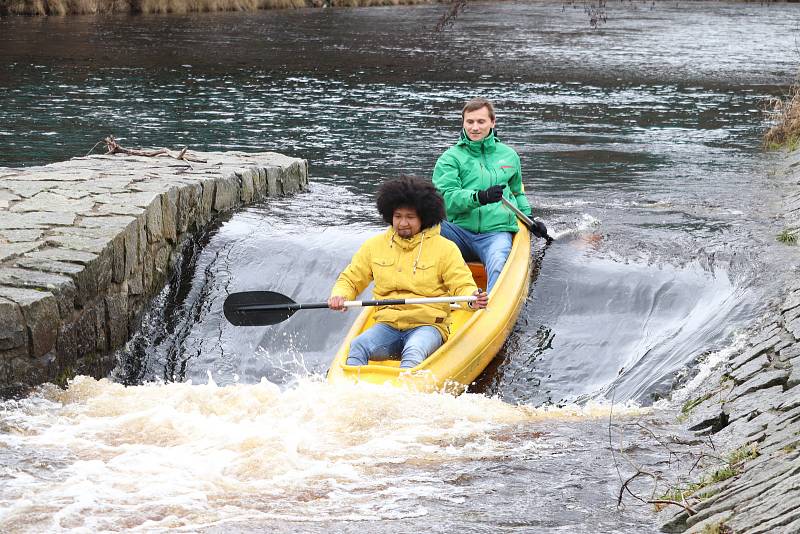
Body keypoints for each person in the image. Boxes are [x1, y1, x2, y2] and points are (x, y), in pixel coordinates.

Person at [328, 176, 488, 369]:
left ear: (424, 218)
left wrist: (472, 298)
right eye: (398, 216)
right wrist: (340, 295)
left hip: (428, 326)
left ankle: (406, 396)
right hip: (388, 325)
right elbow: (351, 279)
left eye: (410, 217)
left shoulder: (445, 249)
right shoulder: (374, 246)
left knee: (413, 351)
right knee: (357, 346)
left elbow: (462, 285)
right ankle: (350, 392)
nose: (403, 223)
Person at [432, 97, 548, 293]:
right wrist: (480, 197)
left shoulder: (509, 155)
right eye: (470, 122)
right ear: (463, 123)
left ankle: (490, 307)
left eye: (481, 121)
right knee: (422, 229)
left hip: (495, 233)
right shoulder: (450, 158)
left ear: (492, 123)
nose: (475, 127)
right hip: (458, 230)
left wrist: (529, 218)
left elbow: (517, 191)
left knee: (497, 264)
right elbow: (446, 201)